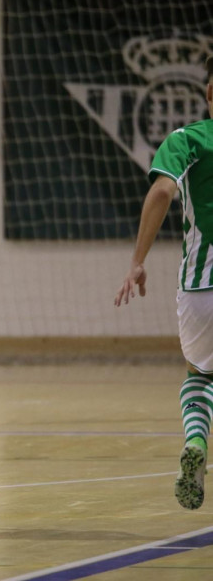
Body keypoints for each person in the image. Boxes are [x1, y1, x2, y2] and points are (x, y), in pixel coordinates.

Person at [114, 56, 213, 510]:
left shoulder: (186, 138)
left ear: (208, 94)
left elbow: (160, 192)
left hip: (201, 287)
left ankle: (196, 441)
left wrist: (137, 261)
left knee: (200, 374)